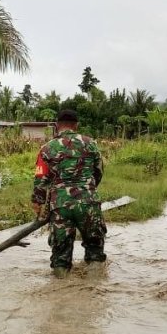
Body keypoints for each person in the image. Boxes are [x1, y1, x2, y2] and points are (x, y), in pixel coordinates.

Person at [32, 109, 106, 276]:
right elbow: (99, 172)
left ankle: (61, 294)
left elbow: (40, 178)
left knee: (60, 255)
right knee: (95, 251)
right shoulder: (90, 143)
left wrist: (38, 202)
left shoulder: (47, 148)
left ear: (57, 126)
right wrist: (88, 190)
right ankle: (95, 292)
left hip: (60, 205)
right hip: (88, 203)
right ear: (76, 125)